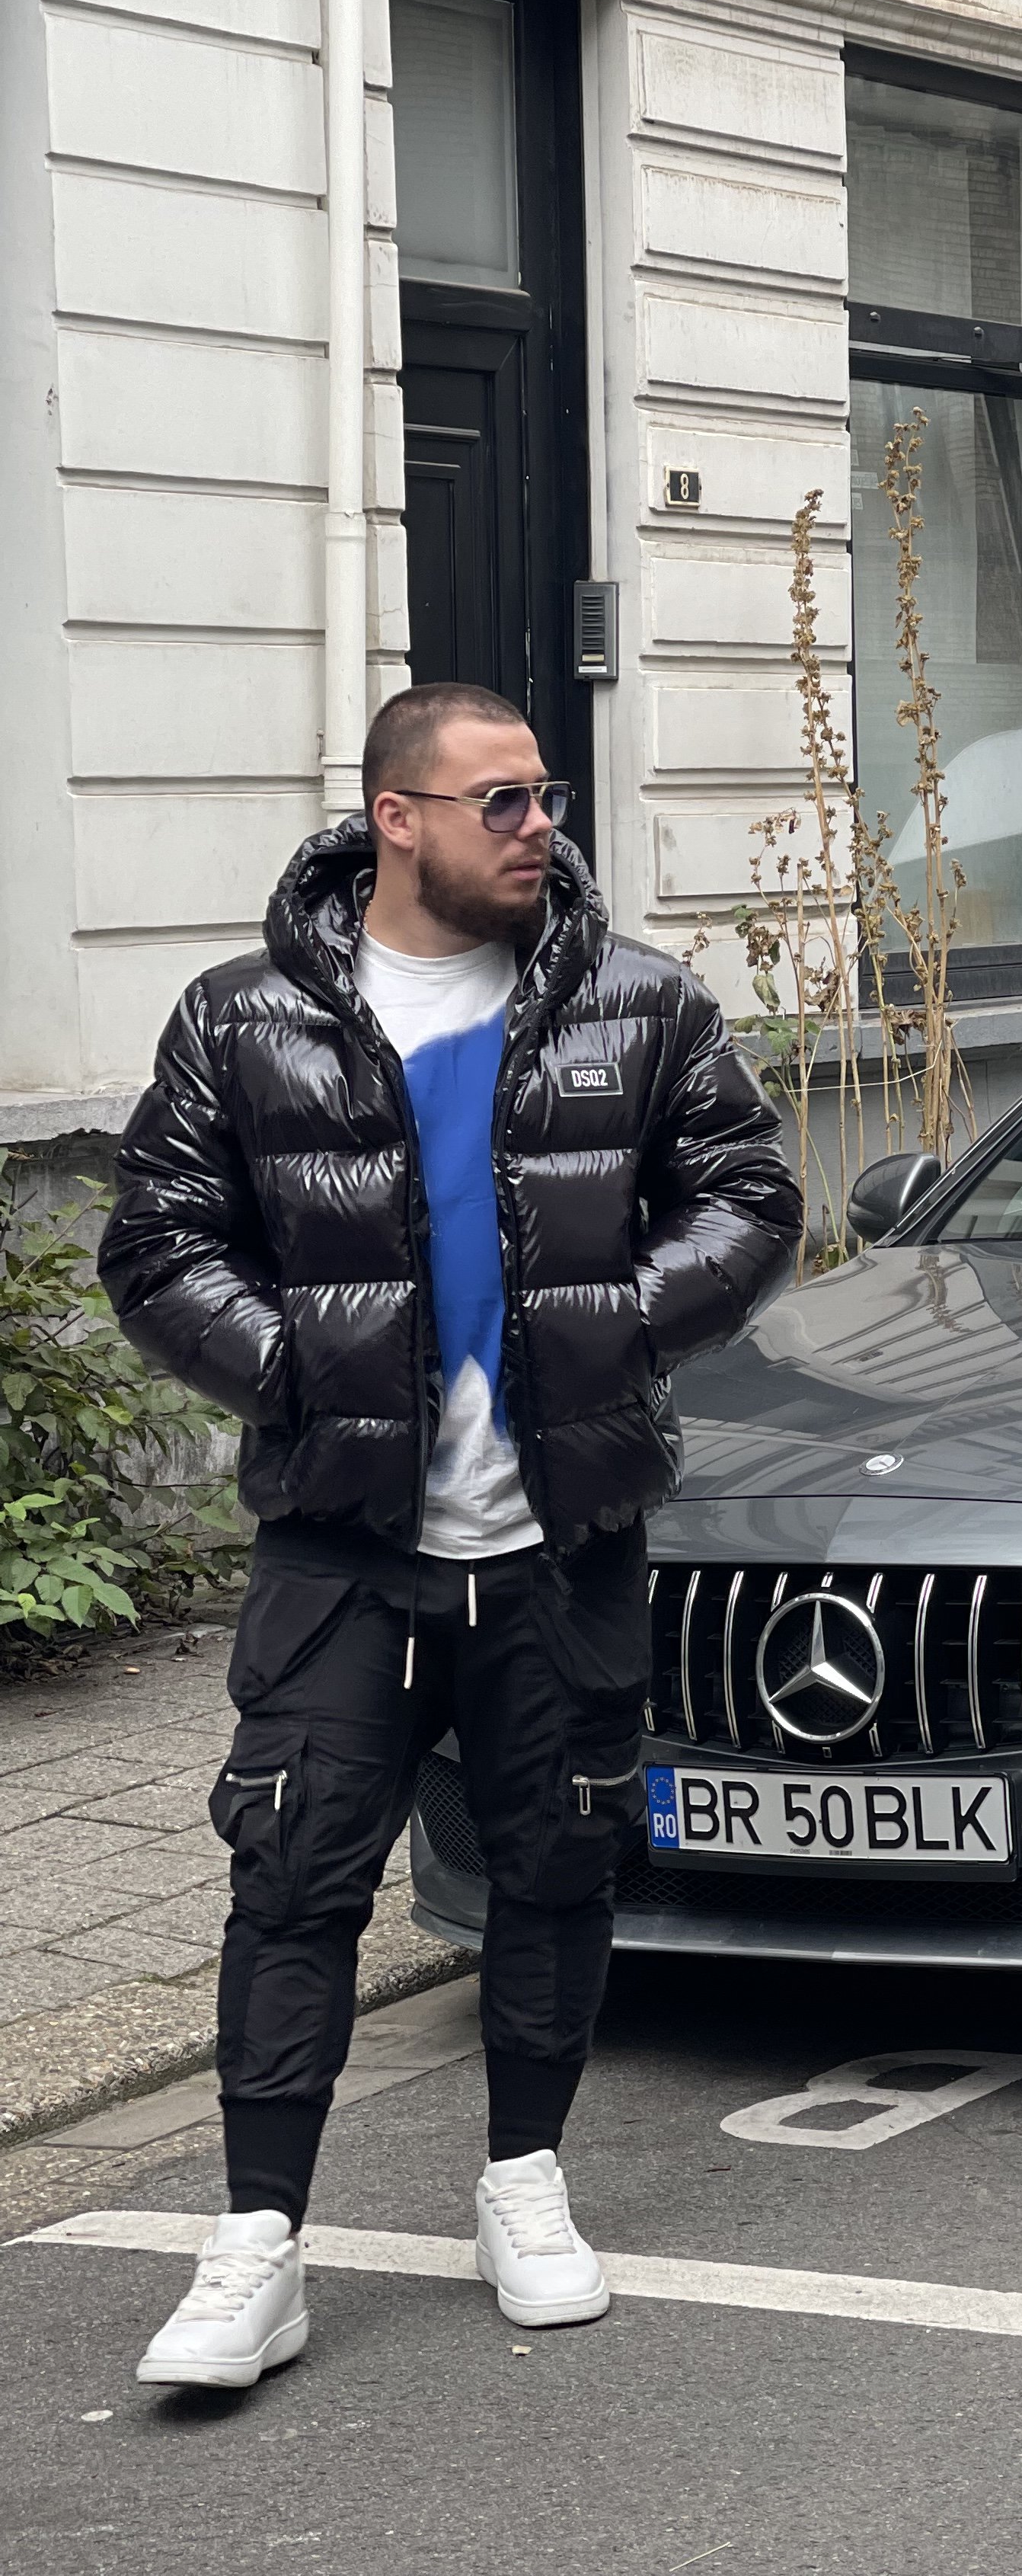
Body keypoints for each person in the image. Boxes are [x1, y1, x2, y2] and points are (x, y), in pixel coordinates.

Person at [98, 685, 800, 2389]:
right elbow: (160, 1242)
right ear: (395, 819)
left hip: (561, 1538)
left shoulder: (637, 1004)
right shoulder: (247, 1016)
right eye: (500, 801)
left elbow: (751, 1197)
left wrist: (620, 1324)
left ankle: (524, 2182)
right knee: (294, 1878)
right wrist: (292, 1370)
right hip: (345, 1545)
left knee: (557, 1863)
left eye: (544, 795)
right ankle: (258, 2245)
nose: (539, 825)